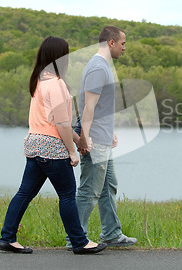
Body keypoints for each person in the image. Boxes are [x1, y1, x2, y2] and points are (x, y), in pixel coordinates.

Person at [0, 36, 107, 255]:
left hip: (34, 144)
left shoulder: (39, 81)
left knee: (24, 193)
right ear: (59, 57)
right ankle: (79, 242)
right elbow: (61, 124)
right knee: (67, 194)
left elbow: (53, 121)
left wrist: (80, 140)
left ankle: (7, 238)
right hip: (51, 147)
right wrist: (72, 151)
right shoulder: (56, 84)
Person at [65, 26, 137, 249]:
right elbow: (88, 108)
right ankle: (76, 238)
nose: (125, 48)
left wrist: (110, 130)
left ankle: (112, 234)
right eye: (123, 43)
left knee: (108, 186)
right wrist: (84, 139)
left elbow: (100, 107)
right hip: (95, 141)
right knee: (89, 190)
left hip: (102, 137)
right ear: (112, 43)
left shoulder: (103, 66)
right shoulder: (98, 67)